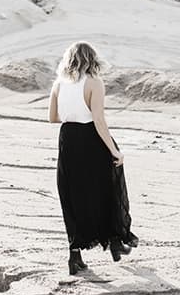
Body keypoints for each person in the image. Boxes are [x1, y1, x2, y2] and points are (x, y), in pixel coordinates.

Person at [48, 41, 136, 275]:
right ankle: (116, 240)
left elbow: (52, 117)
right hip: (91, 138)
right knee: (107, 186)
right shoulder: (94, 83)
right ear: (92, 59)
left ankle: (74, 256)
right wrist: (115, 151)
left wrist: (72, 114)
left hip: (68, 139)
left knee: (72, 195)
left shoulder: (58, 84)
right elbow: (99, 120)